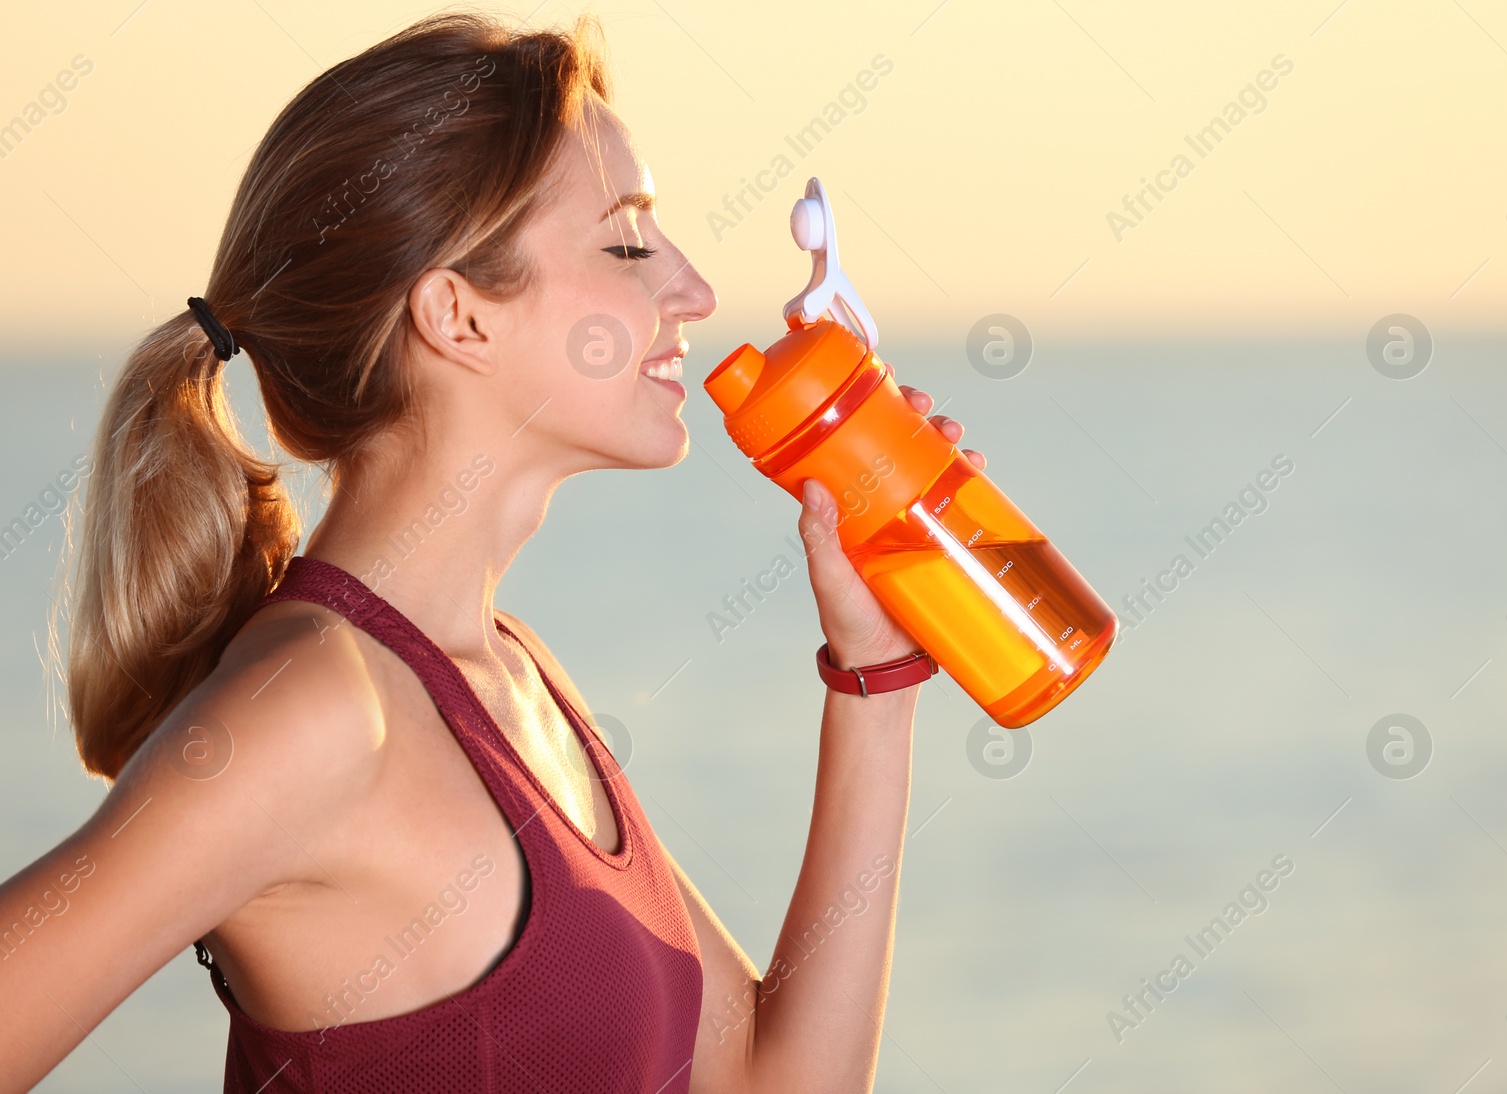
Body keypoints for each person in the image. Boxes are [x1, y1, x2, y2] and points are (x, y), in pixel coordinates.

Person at [0, 13, 986, 1092]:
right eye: (626, 243)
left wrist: (875, 681)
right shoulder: (319, 710)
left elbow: (773, 1082)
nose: (693, 290)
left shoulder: (516, 677)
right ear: (456, 315)